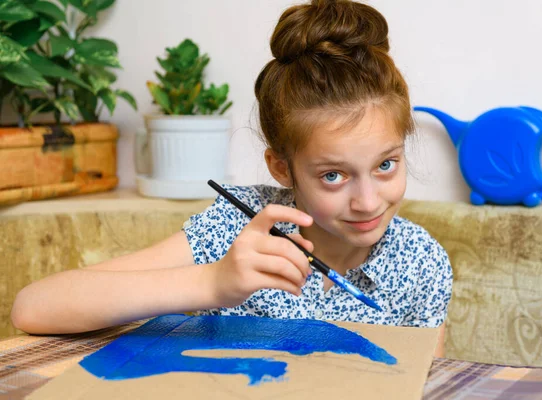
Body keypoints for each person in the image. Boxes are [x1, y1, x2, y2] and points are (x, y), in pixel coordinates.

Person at [11, 0, 452, 357]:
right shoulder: (236, 228)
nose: (368, 201)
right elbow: (33, 308)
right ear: (282, 167)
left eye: (386, 165)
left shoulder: (423, 265)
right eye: (333, 175)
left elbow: (416, 381)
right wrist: (213, 283)